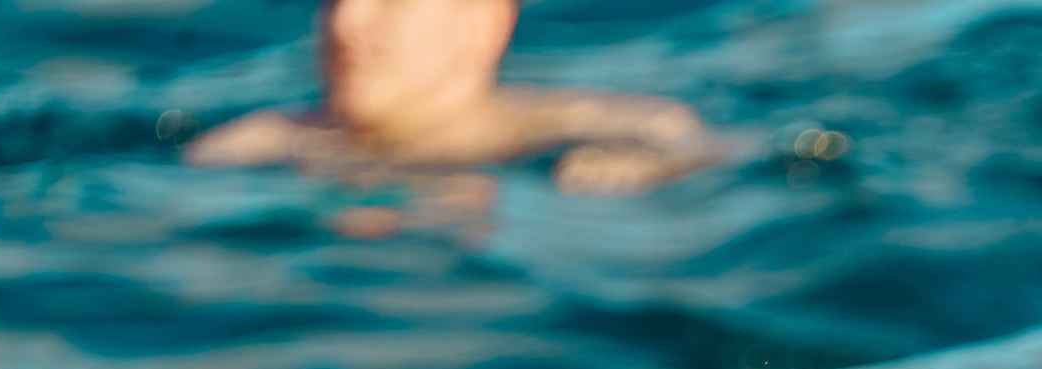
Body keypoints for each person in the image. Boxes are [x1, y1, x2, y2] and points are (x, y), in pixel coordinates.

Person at [185, 0, 719, 200]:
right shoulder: (257, 143)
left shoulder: (555, 125)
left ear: (483, 23)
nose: (347, 23)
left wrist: (650, 167)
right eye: (334, 1)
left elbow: (698, 142)